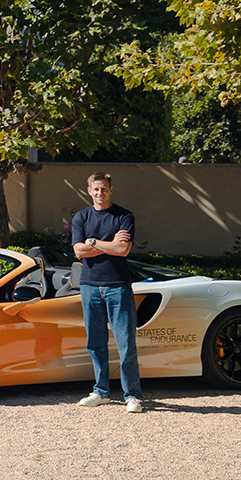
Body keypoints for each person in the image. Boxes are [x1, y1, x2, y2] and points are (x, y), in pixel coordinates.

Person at [71, 171, 143, 413]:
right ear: (89, 191)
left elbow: (123, 250)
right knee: (95, 342)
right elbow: (78, 252)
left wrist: (93, 242)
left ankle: (132, 396)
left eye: (104, 189)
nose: (100, 193)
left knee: (126, 343)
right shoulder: (81, 217)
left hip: (118, 286)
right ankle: (100, 392)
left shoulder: (124, 216)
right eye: (96, 189)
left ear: (111, 190)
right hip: (89, 286)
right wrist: (110, 244)